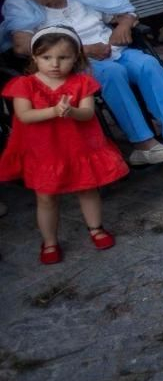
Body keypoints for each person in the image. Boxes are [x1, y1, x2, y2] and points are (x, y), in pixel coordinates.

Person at [2, 0, 163, 165]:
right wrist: (83, 51)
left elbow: (122, 10)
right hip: (74, 64)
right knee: (113, 73)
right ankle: (143, 145)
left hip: (113, 48)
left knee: (148, 64)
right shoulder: (19, 7)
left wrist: (123, 26)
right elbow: (24, 47)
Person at [0, 26, 130, 265]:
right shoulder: (24, 85)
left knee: (87, 188)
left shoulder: (82, 82)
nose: (55, 64)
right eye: (46, 58)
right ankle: (50, 241)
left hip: (77, 148)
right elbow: (25, 116)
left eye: (63, 58)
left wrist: (71, 111)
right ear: (35, 58)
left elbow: (88, 113)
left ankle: (96, 227)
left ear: (76, 58)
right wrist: (53, 111)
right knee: (46, 197)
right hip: (44, 152)